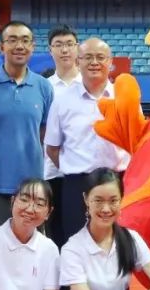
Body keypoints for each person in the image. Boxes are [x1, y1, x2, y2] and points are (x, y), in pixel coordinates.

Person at [45, 38, 130, 247]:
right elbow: (52, 148)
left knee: (117, 245)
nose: (94, 62)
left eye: (100, 57)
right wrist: (73, 168)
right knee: (75, 245)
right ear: (78, 61)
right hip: (77, 186)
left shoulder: (125, 97)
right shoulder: (63, 100)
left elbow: (135, 141)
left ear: (110, 62)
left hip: (118, 183)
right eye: (88, 57)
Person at [0, 22, 53, 225]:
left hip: (31, 185)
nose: (19, 46)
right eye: (12, 40)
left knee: (28, 242)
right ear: (1, 47)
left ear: (32, 46)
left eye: (25, 41)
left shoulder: (44, 86)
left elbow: (44, 131)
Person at [44, 24, 81, 244]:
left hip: (82, 171)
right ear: (50, 50)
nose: (64, 50)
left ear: (77, 48)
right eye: (58, 45)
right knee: (56, 233)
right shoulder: (44, 87)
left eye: (69, 44)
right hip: (51, 172)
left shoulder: (89, 84)